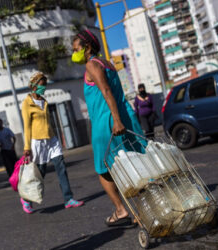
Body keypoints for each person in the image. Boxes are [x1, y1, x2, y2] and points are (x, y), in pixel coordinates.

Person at [71, 30, 145, 226]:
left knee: (104, 169)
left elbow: (105, 90)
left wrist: (116, 120)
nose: (73, 53)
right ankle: (142, 209)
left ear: (87, 48)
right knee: (134, 163)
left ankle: (122, 210)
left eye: (76, 49)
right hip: (125, 116)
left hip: (107, 123)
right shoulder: (108, 64)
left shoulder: (91, 65)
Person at [20, 71, 84, 214]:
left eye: (45, 85)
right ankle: (26, 199)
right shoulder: (27, 103)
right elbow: (27, 126)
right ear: (34, 85)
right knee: (40, 173)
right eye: (42, 85)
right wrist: (26, 147)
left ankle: (68, 199)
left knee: (61, 167)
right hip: (37, 141)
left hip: (52, 139)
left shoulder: (44, 101)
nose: (44, 88)